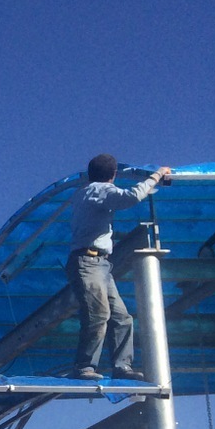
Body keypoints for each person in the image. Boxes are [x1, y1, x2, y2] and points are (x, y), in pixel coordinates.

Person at [66, 154, 174, 380]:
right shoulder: (99, 190)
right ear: (113, 175)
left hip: (98, 263)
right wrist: (156, 175)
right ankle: (84, 367)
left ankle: (122, 367)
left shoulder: (84, 193)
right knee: (98, 314)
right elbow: (131, 197)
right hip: (89, 262)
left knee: (122, 317)